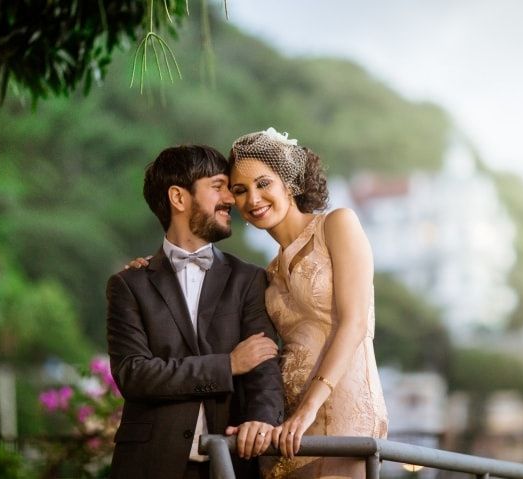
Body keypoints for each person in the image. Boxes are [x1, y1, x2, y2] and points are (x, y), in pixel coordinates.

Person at [106, 145, 284, 479]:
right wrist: (227, 365)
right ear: (178, 197)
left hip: (232, 462)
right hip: (148, 465)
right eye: (218, 187)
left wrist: (261, 421)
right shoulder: (128, 285)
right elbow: (134, 374)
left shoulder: (249, 279)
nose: (231, 200)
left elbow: (264, 368)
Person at [228, 128, 388, 478]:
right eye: (240, 190)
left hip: (340, 407)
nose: (252, 198)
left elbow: (355, 323)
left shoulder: (337, 224)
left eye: (263, 183)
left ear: (289, 182)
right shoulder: (268, 271)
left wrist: (308, 410)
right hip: (287, 423)